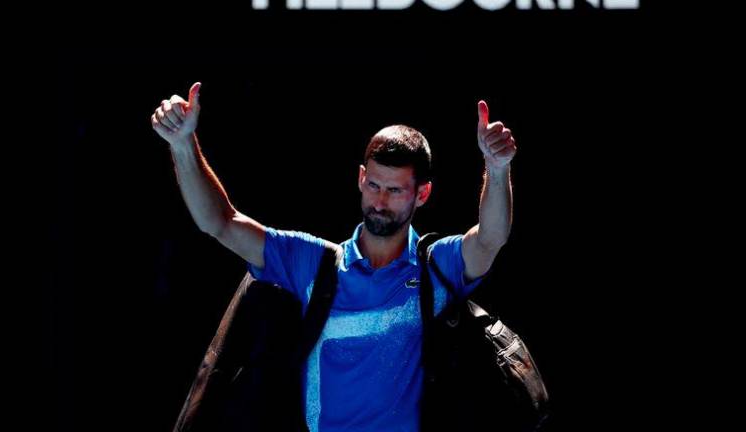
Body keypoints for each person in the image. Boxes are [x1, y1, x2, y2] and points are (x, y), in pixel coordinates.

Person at [151, 82, 517, 432]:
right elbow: (221, 223)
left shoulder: (435, 267)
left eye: (394, 190)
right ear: (360, 178)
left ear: (422, 194)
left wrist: (497, 169)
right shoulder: (314, 263)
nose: (379, 201)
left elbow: (490, 239)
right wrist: (183, 144)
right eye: (373, 185)